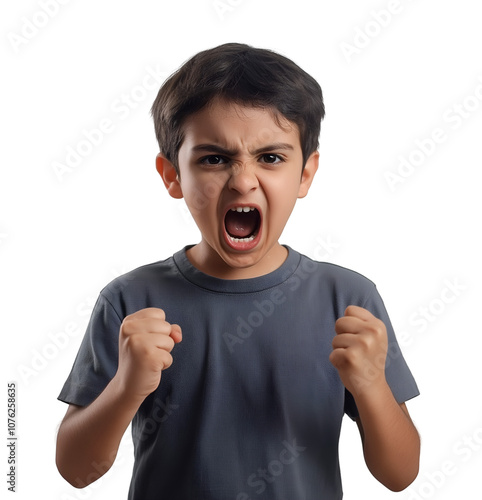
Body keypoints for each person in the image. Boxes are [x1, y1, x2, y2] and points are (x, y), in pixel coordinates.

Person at [56, 43, 420, 499]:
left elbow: (400, 474)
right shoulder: (130, 300)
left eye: (270, 157)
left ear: (306, 174)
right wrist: (126, 388)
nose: (243, 180)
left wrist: (370, 387)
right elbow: (75, 470)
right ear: (172, 176)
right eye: (214, 158)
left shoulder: (347, 298)